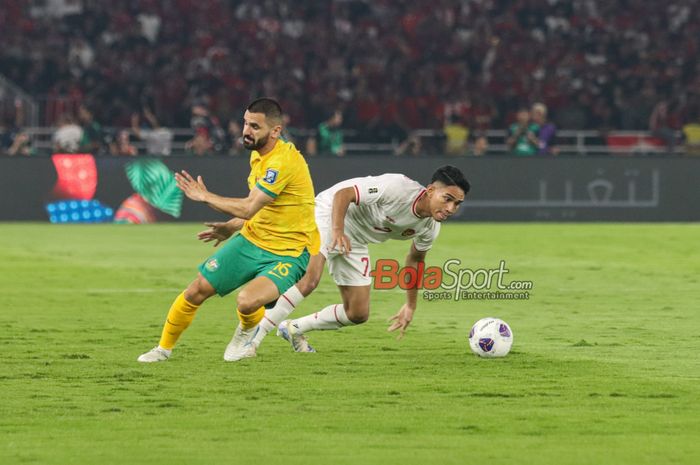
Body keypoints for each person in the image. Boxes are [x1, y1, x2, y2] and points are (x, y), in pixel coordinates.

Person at [198, 166, 469, 359]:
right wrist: (337, 231)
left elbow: (414, 262)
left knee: (358, 313)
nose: (451, 209)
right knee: (310, 278)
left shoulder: (430, 227)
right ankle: (251, 340)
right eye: (447, 199)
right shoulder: (397, 187)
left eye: (457, 204)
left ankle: (293, 328)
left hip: (356, 237)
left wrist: (410, 305)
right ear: (431, 190)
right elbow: (345, 195)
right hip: (330, 213)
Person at [137, 98, 319, 362]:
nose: (246, 131)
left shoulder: (282, 163)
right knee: (196, 290)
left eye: (255, 126)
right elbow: (259, 210)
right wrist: (232, 228)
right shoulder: (259, 154)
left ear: (276, 131)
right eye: (246, 123)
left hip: (289, 253)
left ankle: (245, 335)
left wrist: (204, 196)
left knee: (246, 300)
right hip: (253, 239)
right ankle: (162, 349)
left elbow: (247, 207)